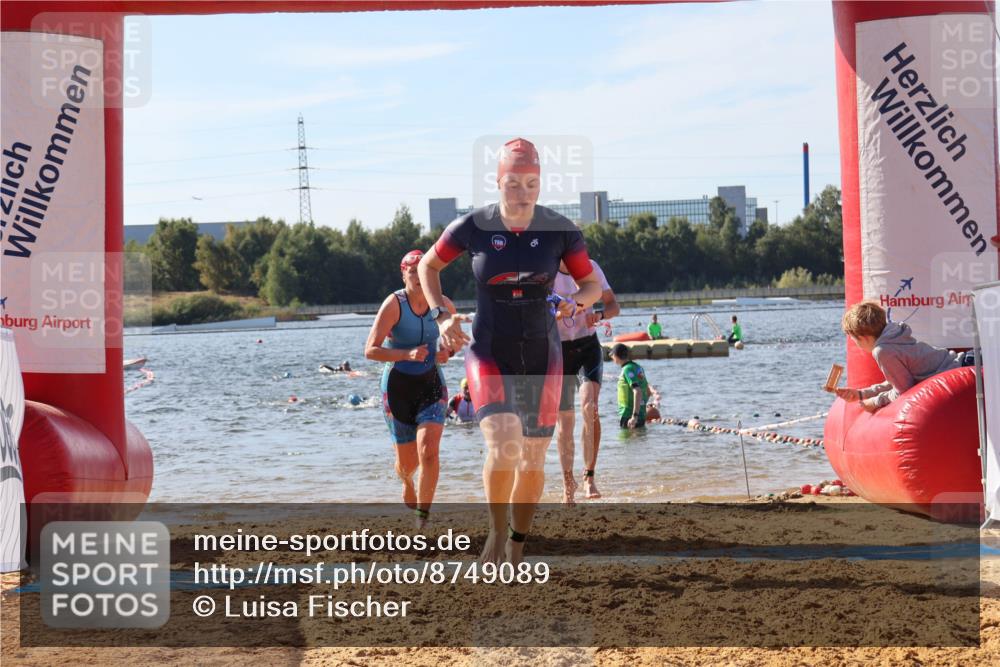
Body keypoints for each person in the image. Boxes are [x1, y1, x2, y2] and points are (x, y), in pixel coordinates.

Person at [418, 137, 602, 564]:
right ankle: (496, 533)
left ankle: (518, 541)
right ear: (498, 181)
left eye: (532, 184)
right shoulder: (472, 226)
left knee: (534, 457)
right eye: (513, 183)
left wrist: (581, 300)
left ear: (541, 183)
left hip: (543, 352)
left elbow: (591, 284)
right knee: (503, 445)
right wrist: (441, 316)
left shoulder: (560, 230)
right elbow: (429, 265)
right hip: (489, 350)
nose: (523, 193)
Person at [364, 250, 458, 528]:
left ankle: (422, 518)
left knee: (429, 451)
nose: (418, 277)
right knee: (408, 464)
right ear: (403, 274)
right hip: (397, 387)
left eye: (423, 271)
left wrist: (447, 353)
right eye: (412, 272)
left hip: (431, 383)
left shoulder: (443, 305)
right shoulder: (394, 305)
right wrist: (405, 354)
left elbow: (454, 343)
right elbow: (370, 350)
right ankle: (406, 481)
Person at [553, 258, 620, 505]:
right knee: (564, 421)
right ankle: (567, 483)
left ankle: (589, 476)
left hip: (586, 347)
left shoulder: (589, 267)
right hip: (557, 350)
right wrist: (557, 314)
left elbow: (614, 305)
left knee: (590, 407)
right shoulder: (545, 269)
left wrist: (600, 314)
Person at [835, 301, 962, 413]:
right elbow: (899, 380)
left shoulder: (882, 351)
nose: (856, 345)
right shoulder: (892, 335)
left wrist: (874, 402)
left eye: (854, 340)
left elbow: (903, 391)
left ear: (863, 338)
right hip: (962, 362)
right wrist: (862, 394)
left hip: (958, 370)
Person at [611, 343, 656, 429]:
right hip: (641, 414)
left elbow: (637, 391)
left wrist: (634, 416)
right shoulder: (638, 368)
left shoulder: (626, 369)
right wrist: (641, 407)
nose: (612, 358)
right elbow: (648, 391)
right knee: (640, 440)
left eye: (612, 355)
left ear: (616, 356)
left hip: (628, 415)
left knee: (625, 441)